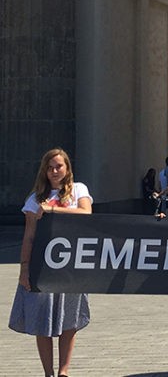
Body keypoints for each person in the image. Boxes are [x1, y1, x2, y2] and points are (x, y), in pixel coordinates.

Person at [9, 149, 93, 377]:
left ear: (67, 168)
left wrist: (52, 210)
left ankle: (64, 371)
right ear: (44, 171)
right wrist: (24, 268)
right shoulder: (34, 199)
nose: (55, 171)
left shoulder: (78, 189)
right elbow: (29, 236)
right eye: (50, 167)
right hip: (43, 266)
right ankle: (48, 372)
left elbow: (87, 213)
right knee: (41, 320)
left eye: (59, 166)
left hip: (72, 265)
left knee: (69, 319)